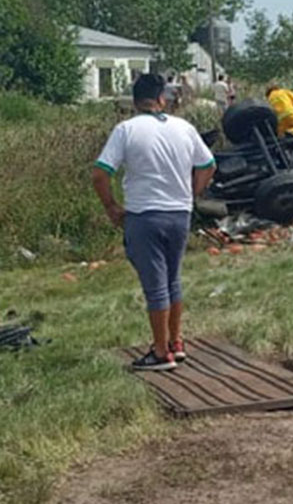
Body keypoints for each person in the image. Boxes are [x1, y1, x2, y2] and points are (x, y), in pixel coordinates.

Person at [92, 73, 216, 371]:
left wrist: (111, 206)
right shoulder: (184, 128)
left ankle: (160, 352)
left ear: (135, 102)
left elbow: (100, 173)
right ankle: (176, 342)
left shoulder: (126, 130)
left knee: (155, 285)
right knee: (173, 280)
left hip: (144, 215)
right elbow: (208, 164)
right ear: (162, 98)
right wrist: (191, 194)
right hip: (179, 214)